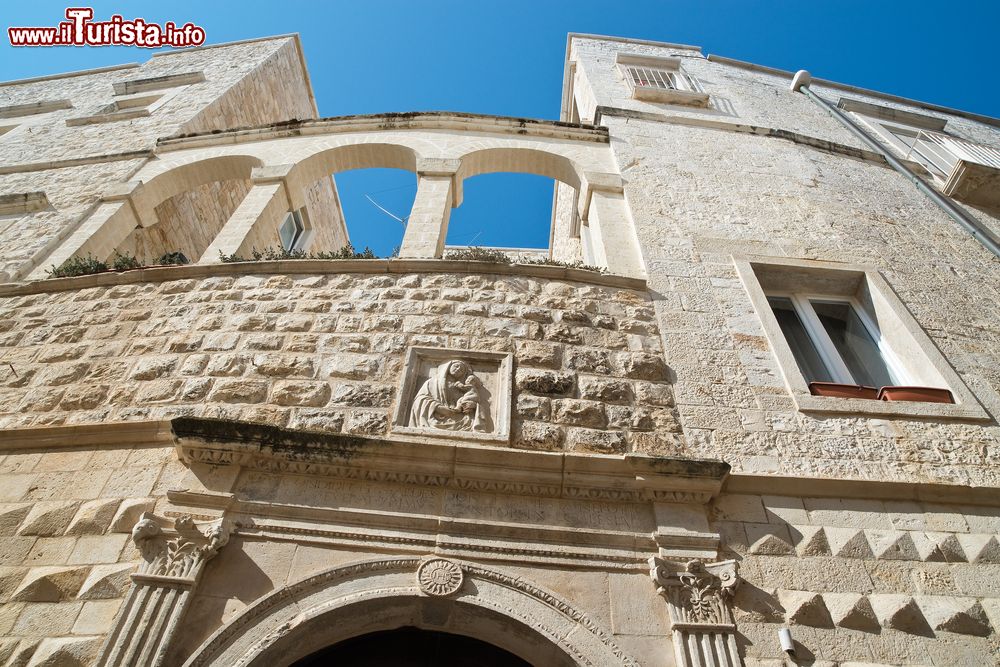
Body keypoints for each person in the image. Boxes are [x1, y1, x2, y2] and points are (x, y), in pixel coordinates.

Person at [409, 360, 492, 432]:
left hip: (460, 419)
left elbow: (473, 398)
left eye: (462, 370)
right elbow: (420, 400)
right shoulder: (432, 382)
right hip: (434, 418)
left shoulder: (464, 386)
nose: (458, 369)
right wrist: (438, 407)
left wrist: (472, 406)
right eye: (456, 366)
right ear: (448, 367)